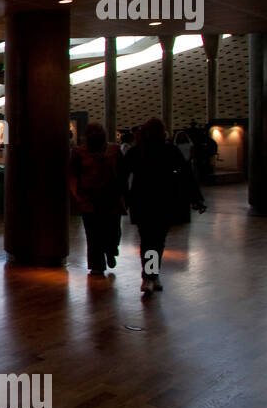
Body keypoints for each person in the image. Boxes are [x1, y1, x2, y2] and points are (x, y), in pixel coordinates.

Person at [120, 118, 206, 294]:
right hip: (164, 202)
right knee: (157, 241)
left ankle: (150, 276)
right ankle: (151, 275)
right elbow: (186, 176)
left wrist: (125, 198)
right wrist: (196, 198)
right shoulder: (170, 151)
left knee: (148, 240)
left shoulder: (137, 151)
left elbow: (122, 177)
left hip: (142, 202)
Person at [69, 123, 125, 276]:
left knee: (113, 231)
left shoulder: (115, 151)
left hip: (111, 198)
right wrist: (76, 195)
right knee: (93, 233)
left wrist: (124, 194)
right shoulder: (78, 152)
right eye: (91, 131)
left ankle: (111, 249)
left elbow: (122, 174)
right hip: (89, 199)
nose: (94, 134)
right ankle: (97, 265)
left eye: (97, 130)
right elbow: (73, 174)